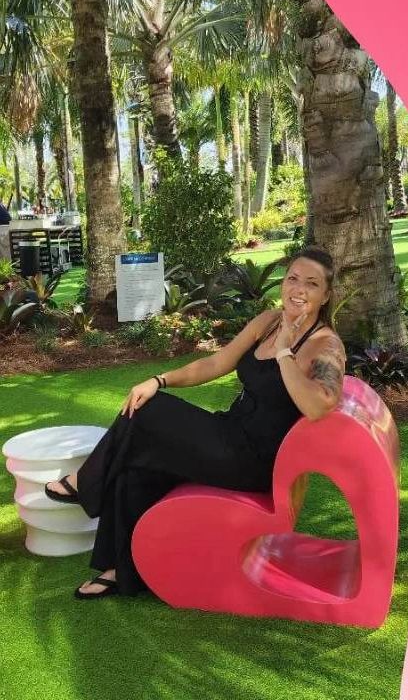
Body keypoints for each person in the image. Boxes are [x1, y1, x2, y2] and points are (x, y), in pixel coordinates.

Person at [44, 246, 347, 599]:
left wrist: (284, 352)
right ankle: (119, 571)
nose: (298, 289)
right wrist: (159, 379)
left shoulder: (326, 345)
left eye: (311, 284)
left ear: (325, 295)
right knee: (137, 464)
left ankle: (86, 483)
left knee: (150, 412)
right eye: (293, 278)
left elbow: (317, 406)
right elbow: (216, 364)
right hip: (229, 434)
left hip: (254, 462)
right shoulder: (268, 321)